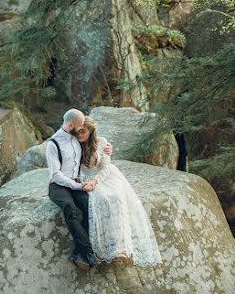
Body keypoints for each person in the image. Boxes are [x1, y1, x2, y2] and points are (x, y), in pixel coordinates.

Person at [76, 116, 162, 266]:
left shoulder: (101, 143)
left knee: (115, 196)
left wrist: (96, 181)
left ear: (90, 132)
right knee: (100, 198)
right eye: (78, 131)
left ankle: (119, 247)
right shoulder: (72, 144)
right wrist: (82, 181)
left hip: (105, 176)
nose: (80, 135)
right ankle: (105, 246)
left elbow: (105, 167)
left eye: (83, 132)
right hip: (84, 178)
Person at [46, 109, 112, 270]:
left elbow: (94, 143)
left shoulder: (77, 138)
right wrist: (78, 185)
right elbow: (56, 174)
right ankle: (88, 252)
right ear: (71, 125)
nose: (82, 128)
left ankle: (78, 252)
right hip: (59, 186)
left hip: (77, 184)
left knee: (89, 205)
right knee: (70, 207)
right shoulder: (52, 144)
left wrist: (108, 148)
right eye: (80, 125)